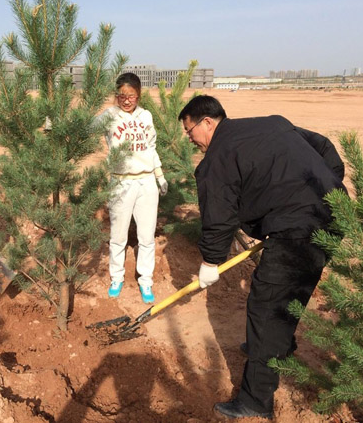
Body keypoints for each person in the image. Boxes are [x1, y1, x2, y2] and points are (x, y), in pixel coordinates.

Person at [178, 95, 346, 419]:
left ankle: (255, 401)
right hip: (333, 216)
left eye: (189, 131)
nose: (190, 140)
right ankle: (276, 349)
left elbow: (218, 216)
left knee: (266, 305)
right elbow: (323, 147)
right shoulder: (273, 123)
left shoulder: (217, 157)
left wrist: (210, 263)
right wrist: (331, 188)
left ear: (207, 122)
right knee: (293, 291)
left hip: (296, 226)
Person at [99, 72, 168, 304]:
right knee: (118, 235)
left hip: (146, 182)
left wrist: (159, 175)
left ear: (138, 95)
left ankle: (145, 280)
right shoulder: (109, 116)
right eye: (122, 95)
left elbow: (151, 147)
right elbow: (83, 128)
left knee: (146, 236)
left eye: (131, 96)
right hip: (121, 182)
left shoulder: (146, 116)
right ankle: (116, 278)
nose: (126, 100)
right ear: (116, 96)